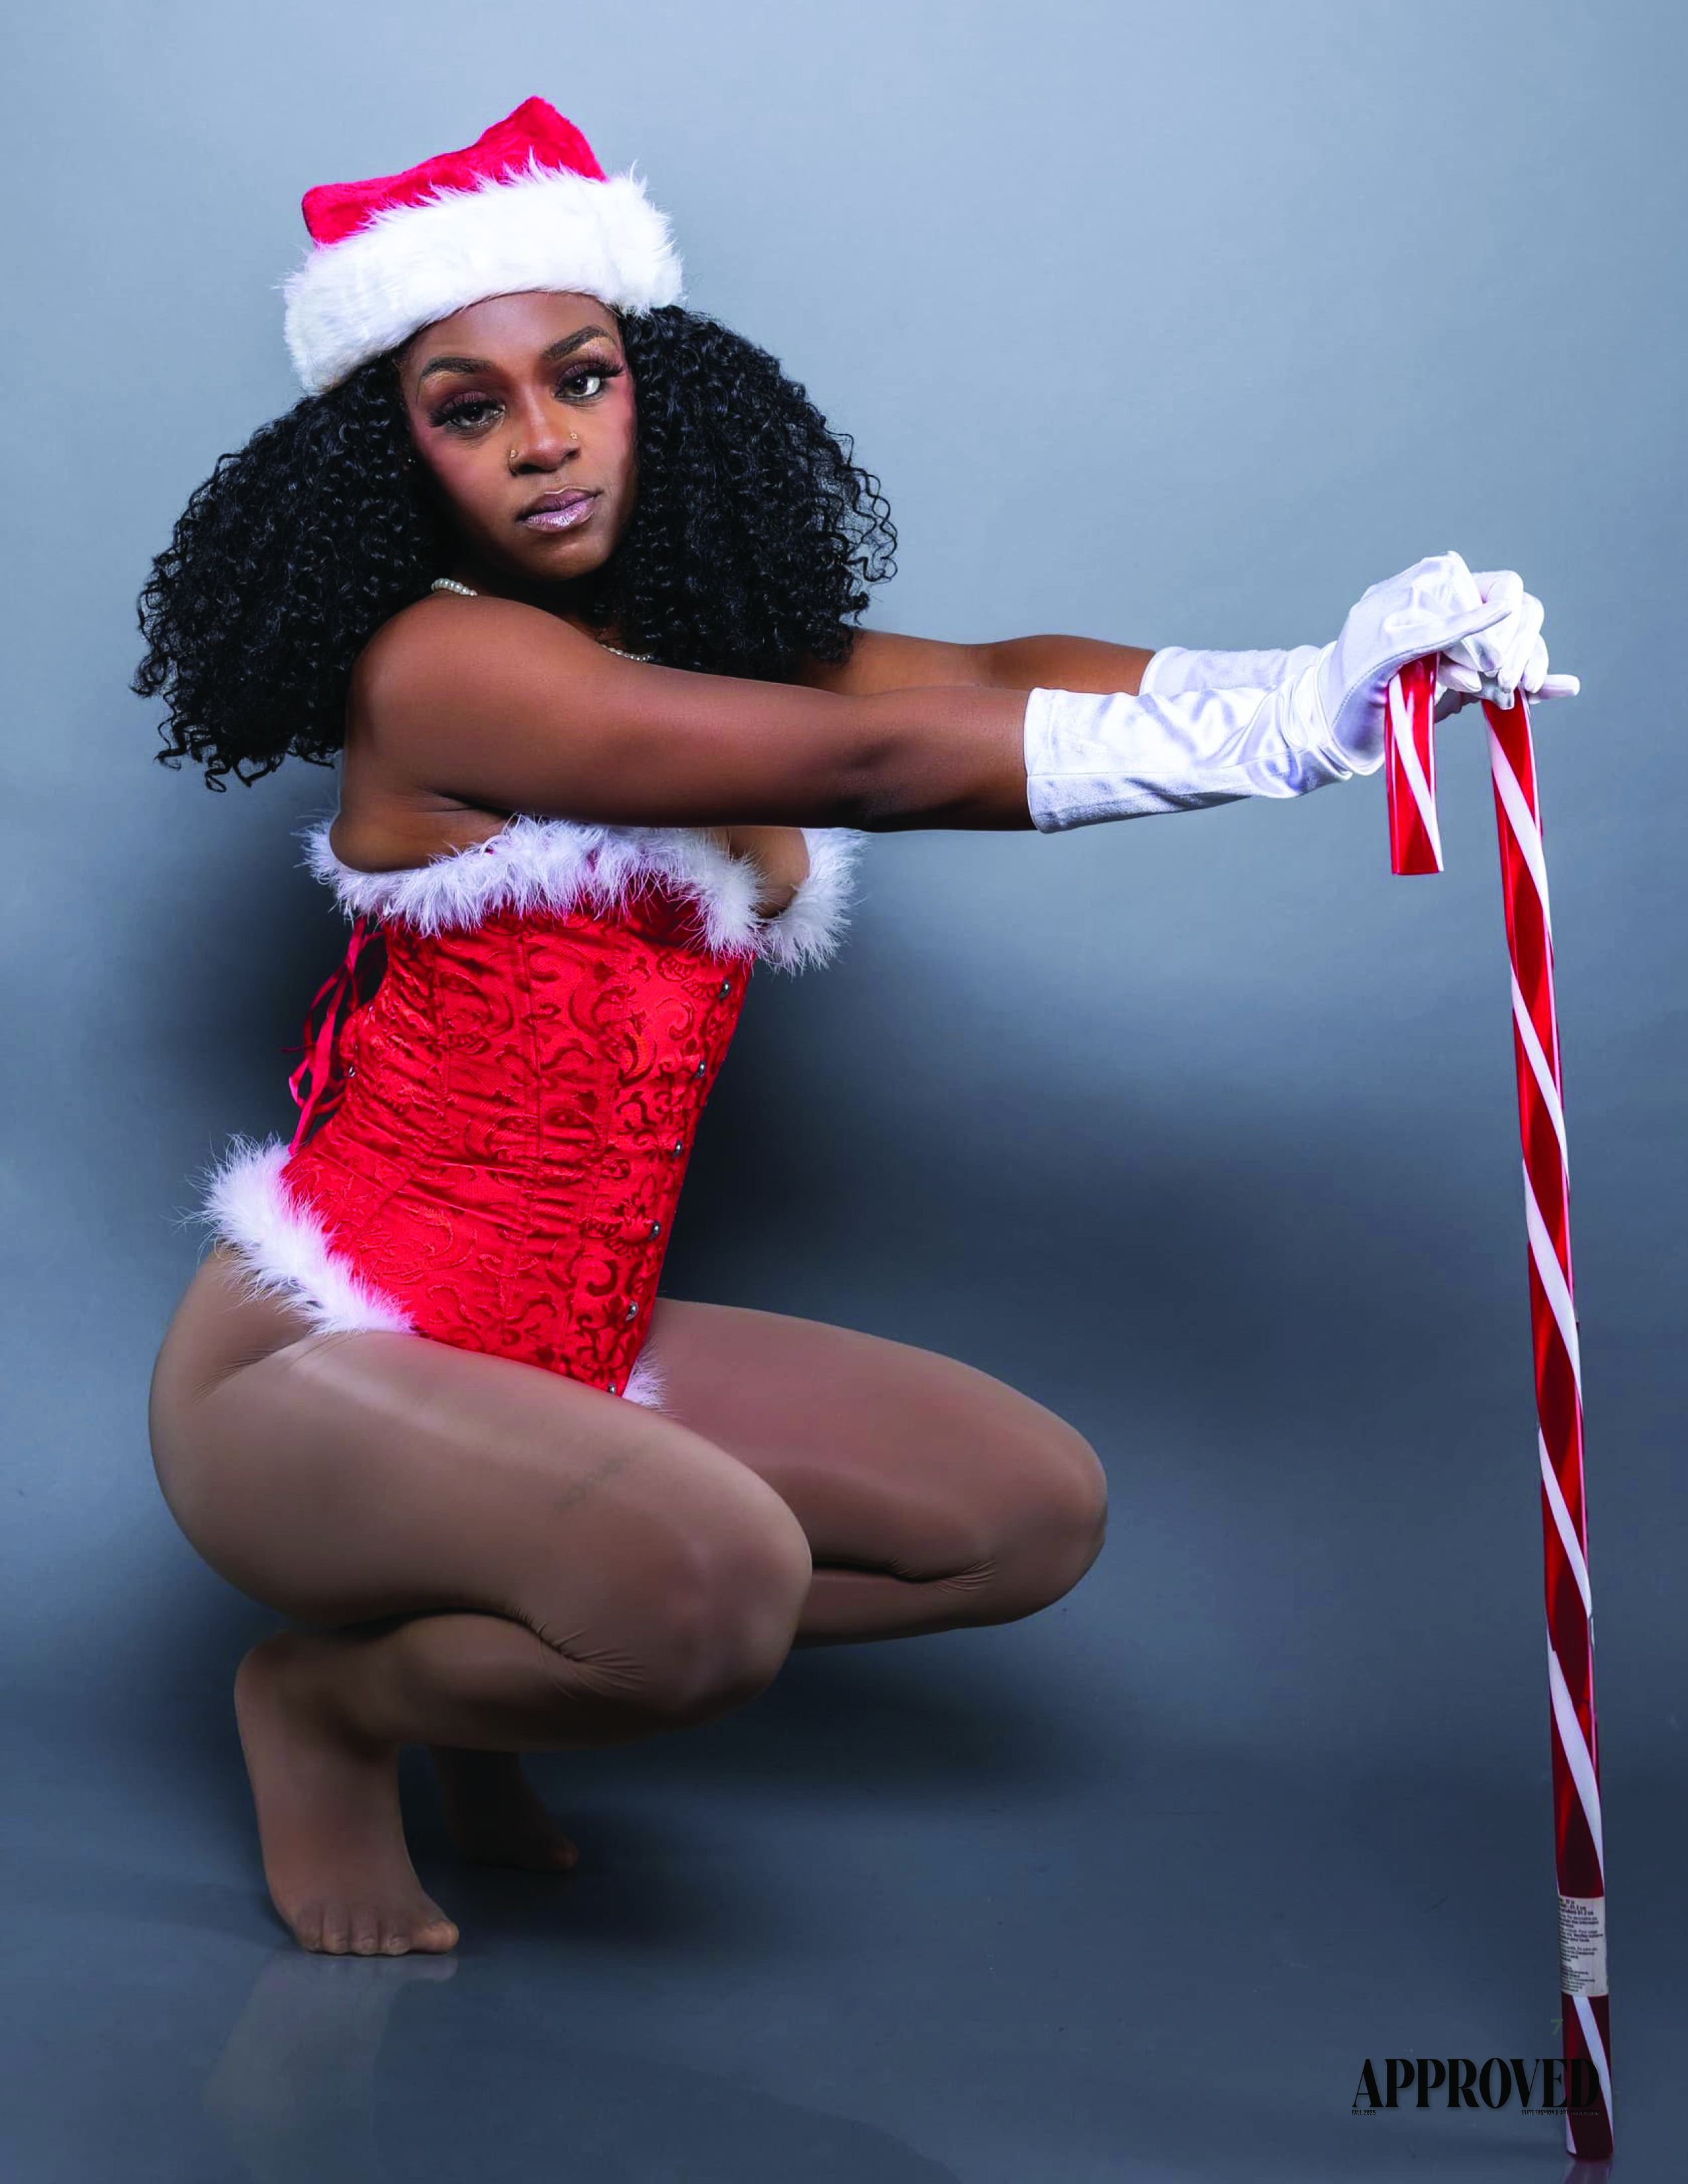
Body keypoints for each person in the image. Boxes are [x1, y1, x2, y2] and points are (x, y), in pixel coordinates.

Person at [139, 98, 1576, 1960]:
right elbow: (870, 763)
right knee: (716, 1587)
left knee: (1022, 1516)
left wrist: (1339, 678)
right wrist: (1284, 739)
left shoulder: (697, 640)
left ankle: (488, 1667)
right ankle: (334, 1703)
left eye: (582, 379)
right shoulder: (445, 664)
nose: (544, 440)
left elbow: (981, 676)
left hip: (561, 1354)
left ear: (657, 388)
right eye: (467, 408)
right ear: (390, 457)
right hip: (310, 1372)